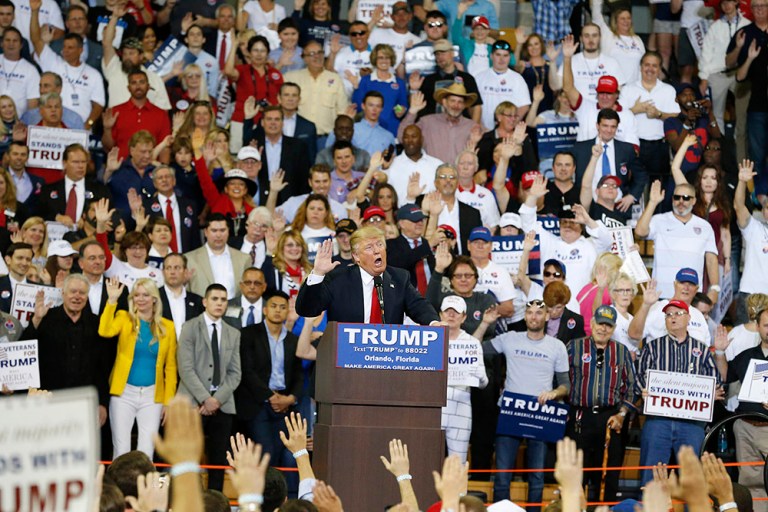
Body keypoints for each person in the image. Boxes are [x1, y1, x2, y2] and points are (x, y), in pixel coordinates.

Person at [486, 298, 570, 505]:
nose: (534, 317)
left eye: (539, 313)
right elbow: (475, 349)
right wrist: (484, 324)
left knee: (537, 477)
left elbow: (565, 386)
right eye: (530, 312)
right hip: (511, 412)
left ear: (547, 316)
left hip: (540, 413)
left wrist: (553, 393)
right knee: (502, 476)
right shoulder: (510, 339)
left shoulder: (557, 346)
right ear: (524, 316)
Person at [635, 298, 723, 485]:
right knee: (651, 475)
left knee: (692, 479)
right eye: (668, 315)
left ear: (688, 318)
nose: (672, 318)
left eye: (677, 314)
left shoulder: (701, 349)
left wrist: (710, 392)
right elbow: (639, 377)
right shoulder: (653, 347)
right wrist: (643, 389)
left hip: (691, 423)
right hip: (658, 420)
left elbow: (716, 381)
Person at [98, 277, 177, 459]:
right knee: (121, 449)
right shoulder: (124, 318)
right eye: (137, 295)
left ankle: (144, 488)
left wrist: (168, 401)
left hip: (152, 396)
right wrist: (111, 301)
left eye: (145, 295)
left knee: (146, 451)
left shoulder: (168, 327)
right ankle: (118, 488)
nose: (140, 299)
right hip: (123, 393)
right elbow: (104, 330)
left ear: (154, 299)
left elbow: (171, 367)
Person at [296, 226, 439, 324]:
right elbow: (307, 309)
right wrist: (318, 274)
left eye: (380, 245)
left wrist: (433, 323)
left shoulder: (399, 278)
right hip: (346, 360)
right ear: (356, 256)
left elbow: (418, 305)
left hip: (386, 358)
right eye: (369, 247)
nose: (377, 251)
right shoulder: (338, 279)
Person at [566, 305, 637, 501]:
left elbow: (633, 387)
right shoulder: (574, 346)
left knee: (607, 477)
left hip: (610, 419)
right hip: (579, 418)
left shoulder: (621, 351)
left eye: (608, 325)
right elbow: (561, 379)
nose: (603, 329)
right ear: (592, 323)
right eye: (600, 323)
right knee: (576, 476)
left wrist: (622, 414)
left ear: (613, 329)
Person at [176, 283, 242, 491]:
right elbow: (185, 368)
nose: (219, 303)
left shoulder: (233, 333)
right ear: (205, 302)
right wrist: (206, 398)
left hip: (222, 404)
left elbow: (235, 373)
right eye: (215, 299)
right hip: (193, 402)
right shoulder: (189, 327)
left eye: (223, 300)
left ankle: (216, 500)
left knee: (218, 457)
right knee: (188, 456)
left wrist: (216, 400)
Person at [22, 274, 109, 426]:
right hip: (49, 401)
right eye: (73, 291)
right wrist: (36, 319)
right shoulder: (45, 318)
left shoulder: (97, 324)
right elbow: (26, 352)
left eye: (82, 293)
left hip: (84, 402)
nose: (77, 296)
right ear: (63, 293)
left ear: (87, 297)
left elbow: (102, 369)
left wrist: (102, 403)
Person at [236, 290, 303, 466]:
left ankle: (285, 493)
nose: (278, 310)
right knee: (267, 453)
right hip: (257, 404)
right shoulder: (248, 334)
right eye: (273, 306)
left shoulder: (292, 340)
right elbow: (247, 371)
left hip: (284, 406)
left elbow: (298, 374)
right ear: (265, 310)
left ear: (288, 312)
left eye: (283, 307)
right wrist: (271, 396)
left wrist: (290, 398)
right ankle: (264, 493)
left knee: (284, 454)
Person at [635, 180, 719, 301]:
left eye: (686, 198)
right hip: (660, 294)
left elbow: (711, 260)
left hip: (692, 296)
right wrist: (653, 202)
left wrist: (715, 288)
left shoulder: (705, 226)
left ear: (694, 201)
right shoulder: (659, 220)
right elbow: (639, 232)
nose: (681, 201)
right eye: (677, 197)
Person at [29, 2, 105, 130]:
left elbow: (98, 104)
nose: (65, 50)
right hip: (54, 128)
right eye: (64, 47)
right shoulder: (53, 62)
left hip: (81, 130)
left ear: (81, 50)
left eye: (70, 48)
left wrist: (88, 124)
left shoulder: (93, 74)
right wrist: (35, 12)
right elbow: (36, 39)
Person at [725, 306, 768, 509]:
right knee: (750, 482)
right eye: (766, 325)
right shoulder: (746, 355)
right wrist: (718, 352)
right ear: (757, 327)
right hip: (745, 425)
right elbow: (726, 376)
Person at [439, 295, 488, 463]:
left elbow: (484, 382)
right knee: (427, 459)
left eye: (456, 312)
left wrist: (479, 376)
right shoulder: (431, 339)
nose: (451, 315)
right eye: (447, 311)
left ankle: (458, 491)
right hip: (435, 406)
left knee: (458, 462)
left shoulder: (472, 343)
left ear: (464, 317)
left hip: (461, 406)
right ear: (440, 314)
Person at [223, 34, 283, 153]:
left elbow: (281, 99)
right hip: (241, 119)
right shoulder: (243, 70)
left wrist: (271, 106)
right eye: (255, 50)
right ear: (249, 53)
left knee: (263, 155)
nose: (259, 54)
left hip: (266, 122)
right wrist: (234, 46)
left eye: (262, 50)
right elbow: (228, 71)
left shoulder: (274, 73)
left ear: (267, 53)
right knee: (238, 154)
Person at [284, 40, 349, 149]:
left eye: (320, 53)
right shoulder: (290, 77)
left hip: (325, 140)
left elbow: (342, 112)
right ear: (304, 58)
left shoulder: (335, 79)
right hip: (297, 139)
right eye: (312, 54)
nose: (317, 57)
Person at [398, 83, 483, 166]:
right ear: (444, 102)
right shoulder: (427, 122)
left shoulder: (472, 126)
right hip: (431, 176)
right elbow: (402, 137)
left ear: (464, 105)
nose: (456, 105)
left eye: (460, 102)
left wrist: (475, 143)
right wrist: (412, 111)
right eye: (452, 101)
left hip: (459, 178)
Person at [102, 70, 172, 160]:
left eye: (142, 82)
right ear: (128, 88)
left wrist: (163, 169)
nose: (138, 86)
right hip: (121, 169)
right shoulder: (115, 112)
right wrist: (107, 129)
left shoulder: (161, 114)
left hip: (151, 170)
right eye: (134, 83)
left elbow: (165, 147)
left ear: (148, 86)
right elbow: (108, 148)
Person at [185, 213, 251, 300]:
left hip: (234, 310)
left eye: (222, 230)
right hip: (201, 310)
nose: (218, 235)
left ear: (228, 232)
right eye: (214, 230)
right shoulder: (189, 259)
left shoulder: (244, 259)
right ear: (206, 232)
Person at [350, 48, 407, 139]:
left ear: (391, 60)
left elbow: (402, 104)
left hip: (392, 131)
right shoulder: (366, 80)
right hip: (368, 131)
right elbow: (358, 106)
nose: (384, 61)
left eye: (387, 57)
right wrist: (356, 87)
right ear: (374, 60)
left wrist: (401, 110)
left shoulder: (399, 83)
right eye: (380, 58)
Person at [143, 165, 201, 254]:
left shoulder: (189, 205)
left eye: (167, 177)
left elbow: (195, 237)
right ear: (154, 183)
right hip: (157, 259)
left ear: (174, 181)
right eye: (160, 178)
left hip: (186, 258)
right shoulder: (146, 206)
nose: (164, 180)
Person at [475, 40, 531, 130]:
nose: (502, 59)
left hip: (508, 133)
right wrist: (479, 126)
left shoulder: (518, 79)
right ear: (491, 56)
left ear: (510, 57)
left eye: (505, 55)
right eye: (498, 55)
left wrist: (511, 124)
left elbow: (524, 106)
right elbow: (473, 105)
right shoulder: (479, 78)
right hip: (483, 131)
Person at [386, 203, 436, 295]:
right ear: (401, 224)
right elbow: (399, 265)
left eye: (421, 220)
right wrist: (428, 245)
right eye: (415, 220)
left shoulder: (428, 243)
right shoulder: (391, 245)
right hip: (406, 298)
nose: (420, 223)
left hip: (432, 296)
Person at [590, 0, 645, 84]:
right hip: (612, 88)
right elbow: (596, 13)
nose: (626, 21)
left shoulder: (637, 40)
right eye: (622, 18)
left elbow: (644, 64)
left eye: (628, 18)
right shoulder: (608, 36)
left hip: (633, 88)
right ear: (615, 21)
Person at [386, 125, 440, 205]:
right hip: (400, 215)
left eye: (414, 136)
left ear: (421, 139)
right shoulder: (391, 165)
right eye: (406, 137)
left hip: (432, 214)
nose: (410, 140)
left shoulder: (437, 165)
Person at [159, 252, 204, 340]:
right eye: (168, 268)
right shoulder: (154, 298)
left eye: (177, 268)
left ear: (185, 271)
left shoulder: (197, 301)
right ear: (163, 272)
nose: (172, 272)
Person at [0, 27, 40, 117]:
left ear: (21, 45)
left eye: (15, 41)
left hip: (18, 123)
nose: (11, 44)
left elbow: (33, 105)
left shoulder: (31, 70)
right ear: (1, 43)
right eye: (7, 40)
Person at [0, 242, 33, 313]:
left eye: (28, 259)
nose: (24, 263)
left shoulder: (37, 288)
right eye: (20, 258)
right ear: (8, 259)